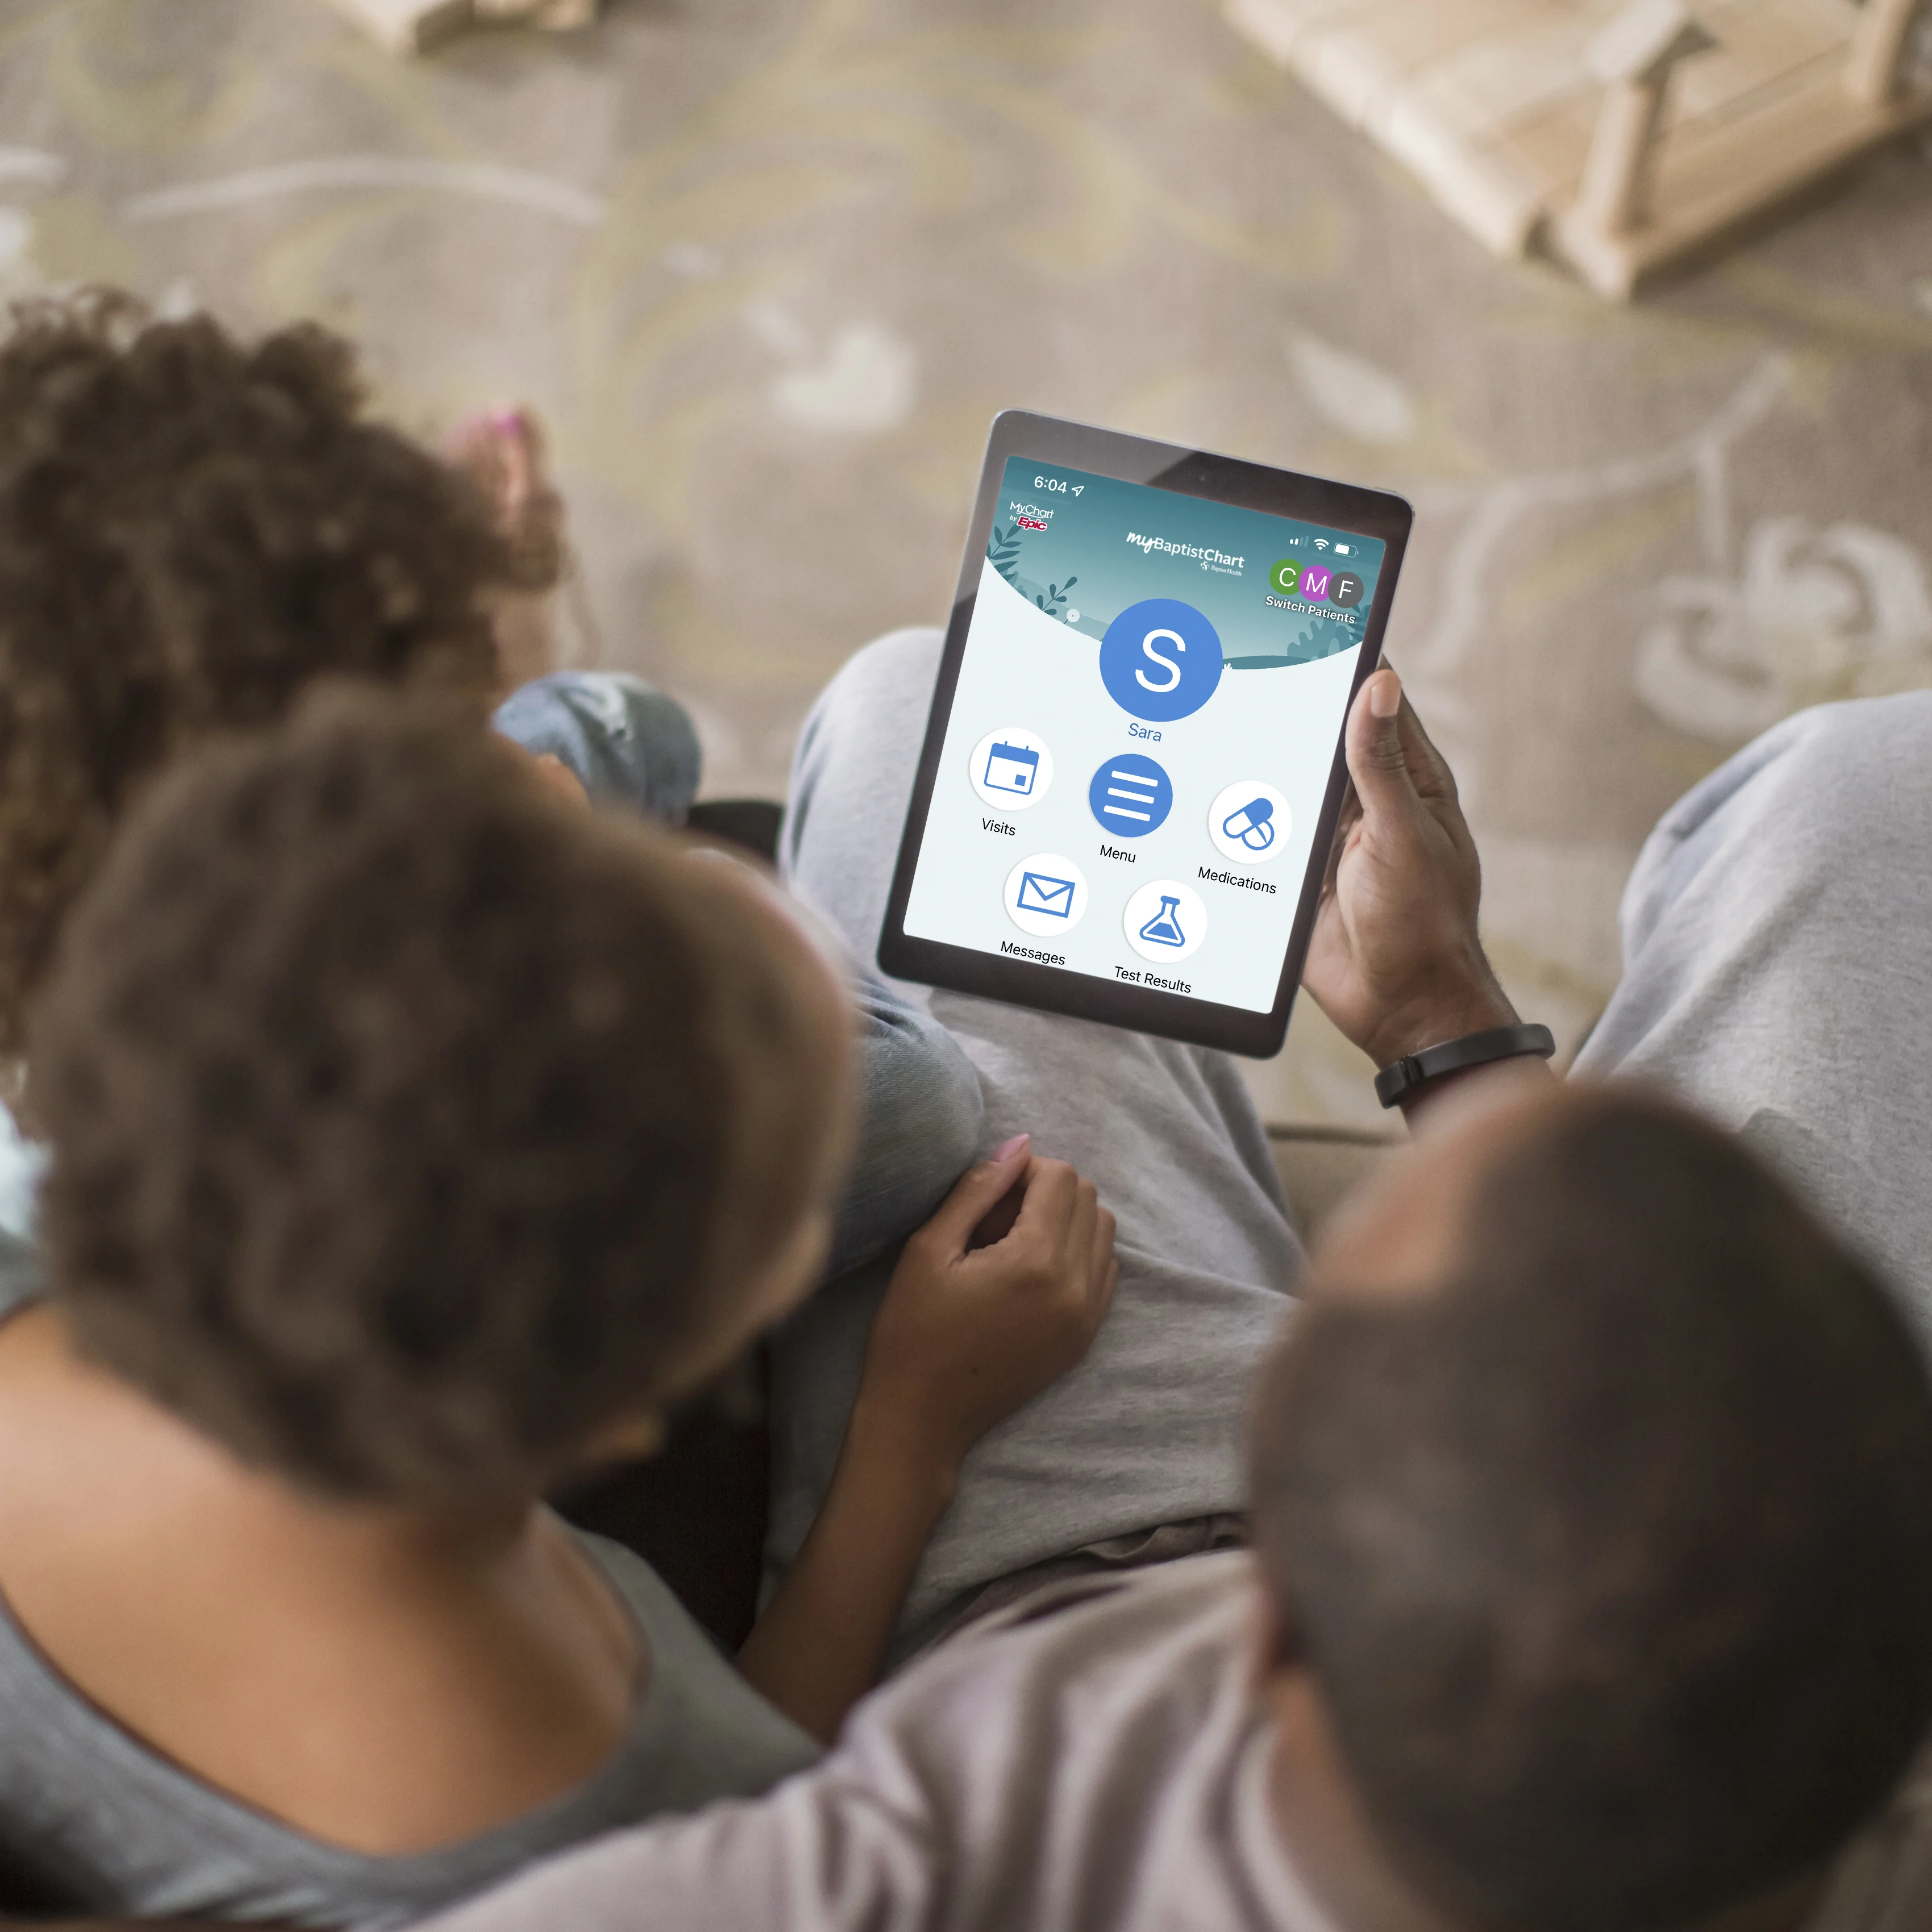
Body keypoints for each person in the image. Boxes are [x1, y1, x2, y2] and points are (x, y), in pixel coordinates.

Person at [400, 639, 1932, 1932]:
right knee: (1875, 793)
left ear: (1260, 1636)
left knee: (932, 710)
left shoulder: (951, 1843)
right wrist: (1440, 1025)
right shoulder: (1852, 1807)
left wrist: (906, 1444)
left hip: (1072, 1548)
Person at [0, 693, 1116, 1926]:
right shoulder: (655, 1814)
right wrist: (908, 1431)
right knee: (873, 1036)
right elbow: (769, 1767)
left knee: (647, 750)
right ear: (648, 1398)